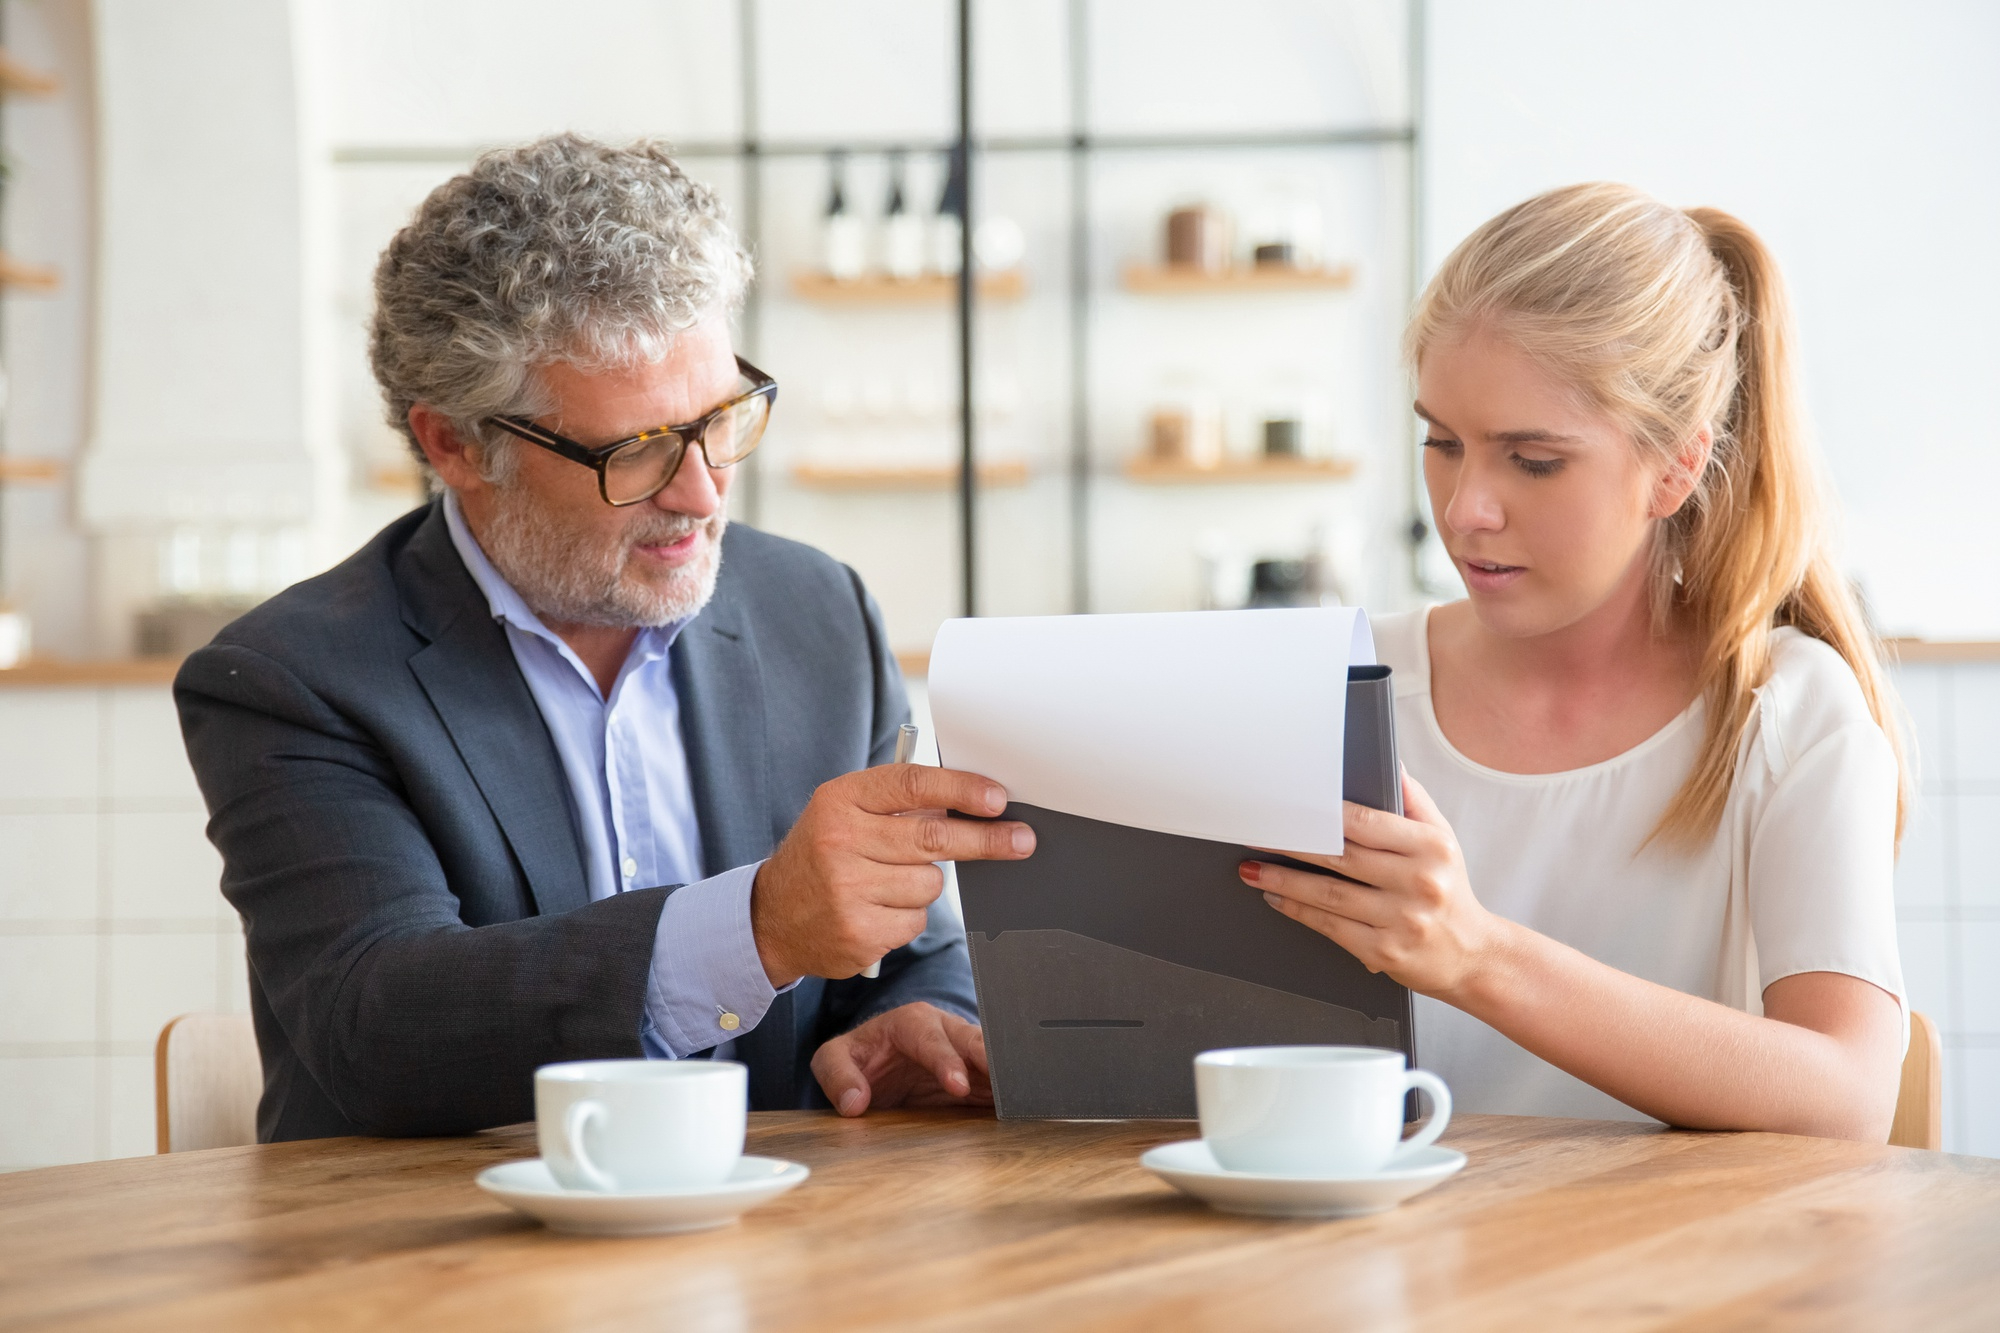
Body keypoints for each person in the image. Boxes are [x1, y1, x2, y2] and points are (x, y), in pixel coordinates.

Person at [175, 134, 1036, 1142]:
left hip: (776, 1254)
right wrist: (756, 929)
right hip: (436, 1265)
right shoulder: (292, 677)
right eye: (635, 453)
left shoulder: (815, 610)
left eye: (719, 420)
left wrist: (914, 1018)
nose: (702, 493)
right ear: (455, 443)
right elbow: (379, 1023)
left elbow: (910, 940)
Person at [1240, 183, 1908, 1139]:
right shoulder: (1342, 680)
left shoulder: (1786, 713)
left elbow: (1847, 1097)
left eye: (1534, 460)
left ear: (1677, 466)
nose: (1466, 507)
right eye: (1442, 442)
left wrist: (1478, 956)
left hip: (1662, 1281)